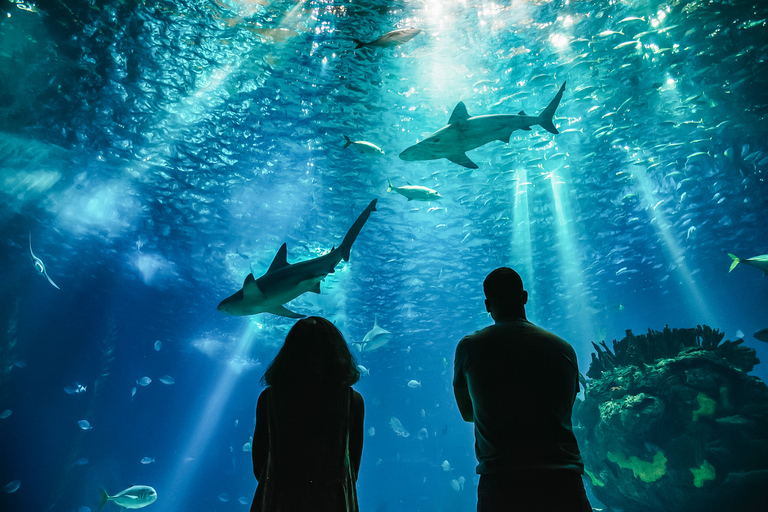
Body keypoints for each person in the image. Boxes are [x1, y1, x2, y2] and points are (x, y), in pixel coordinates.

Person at [453, 268, 591, 512]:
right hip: (563, 482)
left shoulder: (470, 348)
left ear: (487, 304)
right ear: (525, 297)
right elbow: (566, 406)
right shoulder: (563, 348)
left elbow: (468, 414)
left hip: (502, 483)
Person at [250, 316, 365, 512]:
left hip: (278, 498)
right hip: (332, 501)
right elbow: (352, 467)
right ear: (336, 353)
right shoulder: (351, 401)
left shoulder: (269, 399)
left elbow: (259, 463)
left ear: (290, 354)